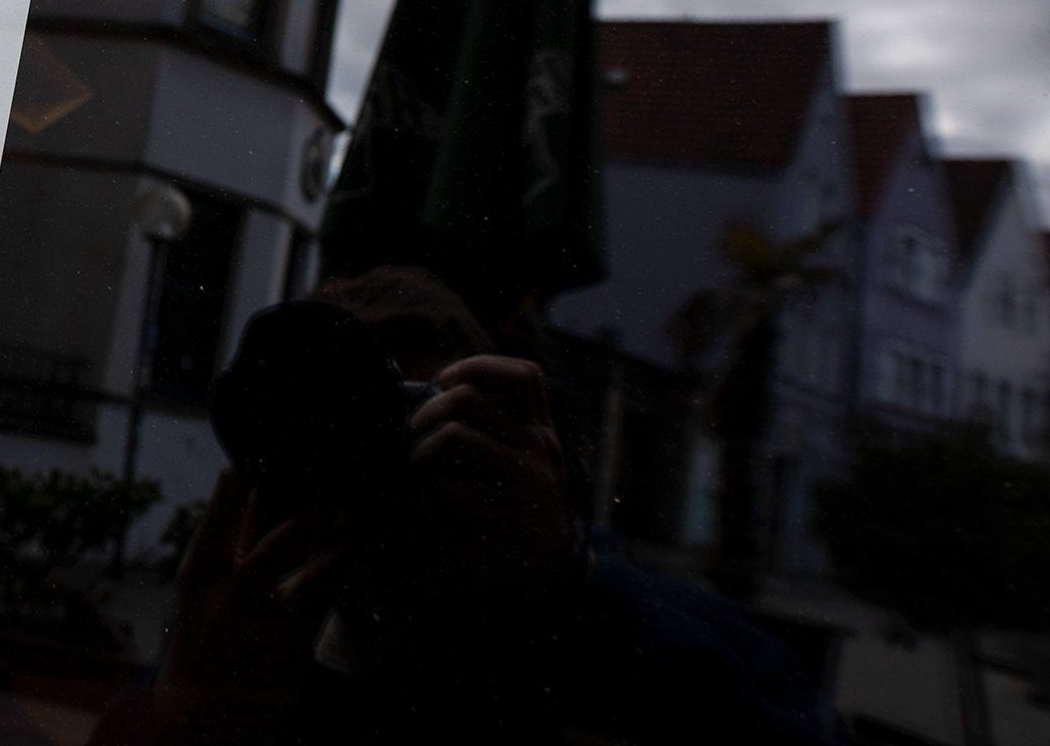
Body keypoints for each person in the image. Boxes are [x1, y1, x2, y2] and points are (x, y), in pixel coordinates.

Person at [89, 266, 843, 745]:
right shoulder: (268, 644)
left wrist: (563, 592)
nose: (379, 469)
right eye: (337, 430)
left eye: (417, 429)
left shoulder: (632, 645)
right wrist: (188, 718)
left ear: (519, 450)